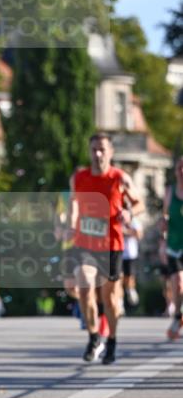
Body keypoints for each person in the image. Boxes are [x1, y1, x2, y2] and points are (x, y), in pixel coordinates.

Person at [68, 133, 143, 365]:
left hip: (112, 244)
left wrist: (129, 213)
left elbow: (138, 203)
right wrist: (71, 223)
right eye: (94, 150)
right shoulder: (79, 178)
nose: (98, 154)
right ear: (89, 152)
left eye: (102, 149)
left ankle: (111, 339)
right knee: (84, 286)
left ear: (110, 152)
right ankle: (93, 337)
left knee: (110, 300)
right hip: (85, 244)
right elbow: (73, 204)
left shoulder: (120, 178)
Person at [160, 155, 183, 340]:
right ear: (175, 171)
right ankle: (177, 316)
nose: (182, 171)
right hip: (174, 244)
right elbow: (164, 217)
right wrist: (163, 228)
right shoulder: (170, 191)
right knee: (177, 283)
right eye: (179, 168)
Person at [121, 207, 142, 309]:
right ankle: (119, 302)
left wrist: (126, 231)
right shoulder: (115, 219)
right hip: (118, 253)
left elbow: (139, 234)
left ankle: (130, 289)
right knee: (119, 278)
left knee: (129, 277)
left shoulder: (133, 220)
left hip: (130, 254)